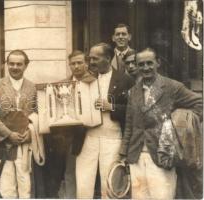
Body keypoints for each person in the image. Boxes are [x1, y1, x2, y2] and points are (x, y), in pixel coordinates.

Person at [119, 48, 202, 199]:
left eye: (149, 63)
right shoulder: (134, 91)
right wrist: (124, 153)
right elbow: (129, 124)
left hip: (162, 155)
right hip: (136, 156)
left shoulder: (172, 87)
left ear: (158, 63)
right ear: (136, 66)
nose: (145, 68)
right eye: (141, 64)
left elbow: (199, 103)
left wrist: (180, 124)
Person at [0, 50, 44, 198]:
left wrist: (30, 133)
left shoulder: (32, 87)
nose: (15, 67)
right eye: (11, 64)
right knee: (6, 188)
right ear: (6, 65)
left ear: (26, 66)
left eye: (19, 64)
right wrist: (8, 134)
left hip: (25, 144)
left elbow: (37, 114)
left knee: (26, 187)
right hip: (3, 144)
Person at [75, 43, 133, 198]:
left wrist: (111, 106)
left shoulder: (124, 79)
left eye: (95, 58)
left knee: (109, 183)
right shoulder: (85, 79)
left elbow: (132, 111)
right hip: (88, 137)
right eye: (90, 58)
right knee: (83, 183)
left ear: (108, 58)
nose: (91, 62)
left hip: (112, 138)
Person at [43, 50, 96, 198]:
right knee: (69, 171)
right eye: (73, 63)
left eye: (80, 62)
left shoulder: (95, 82)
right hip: (69, 137)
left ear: (86, 63)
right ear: (69, 65)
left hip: (90, 134)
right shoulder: (62, 85)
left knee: (87, 173)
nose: (77, 66)